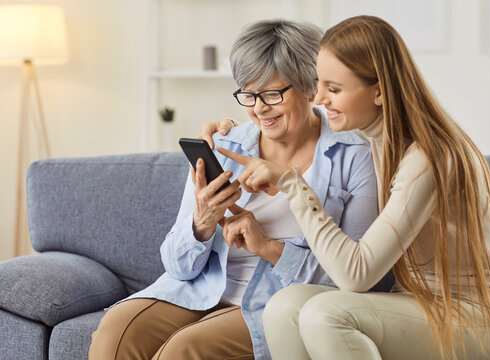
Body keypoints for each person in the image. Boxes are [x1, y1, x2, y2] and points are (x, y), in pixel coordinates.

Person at [204, 15, 490, 360]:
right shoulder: (374, 140)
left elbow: (355, 275)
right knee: (282, 306)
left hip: (481, 315)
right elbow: (287, 123)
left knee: (326, 315)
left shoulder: (429, 158)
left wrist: (292, 183)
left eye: (334, 89)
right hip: (417, 301)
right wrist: (231, 130)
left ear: (378, 92)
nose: (318, 98)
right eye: (319, 84)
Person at [88, 19, 388, 360]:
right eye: (248, 93)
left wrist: (269, 247)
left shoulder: (354, 156)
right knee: (115, 333)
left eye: (272, 93)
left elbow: (357, 277)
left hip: (277, 300)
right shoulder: (224, 146)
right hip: (201, 290)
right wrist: (201, 223)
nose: (259, 108)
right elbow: (176, 266)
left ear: (310, 87)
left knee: (183, 351)